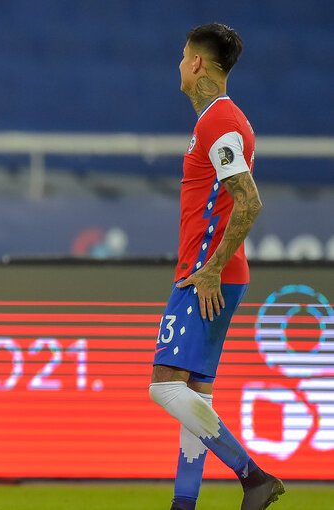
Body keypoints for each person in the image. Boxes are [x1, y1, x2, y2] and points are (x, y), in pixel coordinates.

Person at [147, 23, 285, 510]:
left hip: (207, 277)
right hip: (217, 273)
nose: (180, 65)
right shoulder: (220, 119)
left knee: (164, 387)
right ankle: (184, 504)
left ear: (198, 63)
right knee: (195, 398)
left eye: (184, 56)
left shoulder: (219, 124)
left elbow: (249, 202)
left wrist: (209, 269)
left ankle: (253, 476)